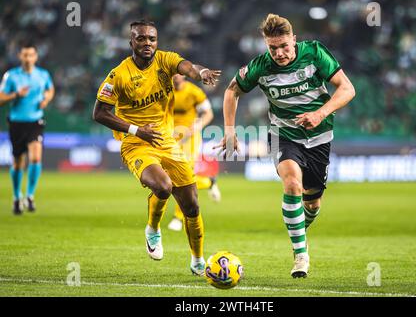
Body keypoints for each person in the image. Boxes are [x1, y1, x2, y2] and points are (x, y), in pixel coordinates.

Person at [216, 14, 355, 278]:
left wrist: (320, 114)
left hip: (320, 137)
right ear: (265, 45)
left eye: (284, 46)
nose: (279, 53)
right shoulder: (260, 67)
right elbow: (232, 90)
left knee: (312, 203)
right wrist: (230, 129)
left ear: (294, 39)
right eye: (272, 48)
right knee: (292, 183)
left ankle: (299, 228)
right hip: (284, 135)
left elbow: (347, 89)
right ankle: (300, 255)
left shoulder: (314, 53)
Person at [93, 20, 221, 276]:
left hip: (166, 140)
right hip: (136, 143)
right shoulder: (119, 75)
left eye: (152, 38)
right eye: (141, 39)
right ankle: (153, 229)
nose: (147, 43)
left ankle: (197, 259)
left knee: (192, 206)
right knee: (163, 186)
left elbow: (187, 67)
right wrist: (136, 130)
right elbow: (99, 113)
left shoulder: (165, 60)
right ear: (131, 42)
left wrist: (201, 71)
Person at [0, 43, 55, 215]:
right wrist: (16, 95)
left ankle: (30, 195)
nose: (28, 58)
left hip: (35, 122)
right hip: (17, 123)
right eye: (25, 55)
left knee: (36, 157)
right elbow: (1, 98)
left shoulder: (42, 75)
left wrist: (46, 99)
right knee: (18, 163)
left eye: (31, 55)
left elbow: (50, 89)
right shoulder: (11, 76)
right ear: (20, 57)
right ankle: (17, 197)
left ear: (36, 56)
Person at [167, 74, 221, 232]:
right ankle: (209, 182)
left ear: (183, 76)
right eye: (172, 76)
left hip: (190, 138)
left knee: (183, 176)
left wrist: (199, 125)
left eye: (178, 76)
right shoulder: (165, 90)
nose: (175, 79)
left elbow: (208, 113)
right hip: (171, 137)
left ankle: (178, 217)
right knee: (170, 178)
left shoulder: (194, 92)